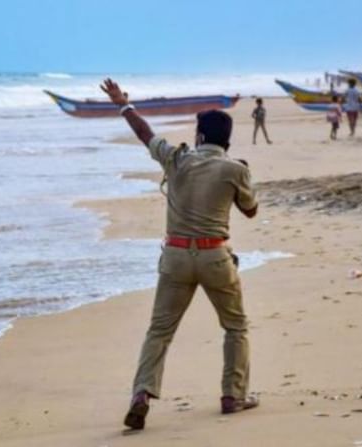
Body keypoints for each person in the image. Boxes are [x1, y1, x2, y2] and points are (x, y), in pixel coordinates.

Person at [99, 78, 259, 431]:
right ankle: (233, 395)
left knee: (159, 330)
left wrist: (122, 103)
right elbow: (250, 210)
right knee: (235, 326)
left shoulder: (175, 158)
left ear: (200, 137)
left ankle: (141, 394)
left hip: (174, 257)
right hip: (216, 257)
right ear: (226, 140)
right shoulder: (235, 169)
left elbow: (144, 133)